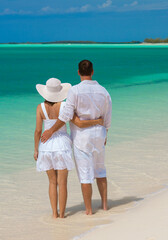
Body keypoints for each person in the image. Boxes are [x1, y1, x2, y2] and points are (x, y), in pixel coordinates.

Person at [41, 60, 112, 215]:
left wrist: (51, 131)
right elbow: (108, 114)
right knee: (100, 170)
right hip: (99, 133)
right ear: (93, 72)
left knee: (86, 174)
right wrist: (106, 132)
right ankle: (105, 205)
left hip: (82, 137)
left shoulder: (75, 91)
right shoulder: (103, 91)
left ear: (78, 72)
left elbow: (65, 116)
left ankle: (88, 210)